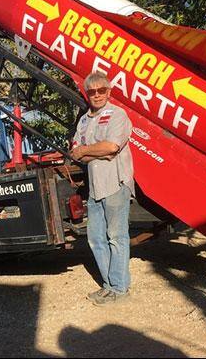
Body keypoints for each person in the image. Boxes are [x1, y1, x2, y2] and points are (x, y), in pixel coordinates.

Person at [70, 71, 134, 306]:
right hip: (95, 187)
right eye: (92, 91)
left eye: (101, 91)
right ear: (87, 94)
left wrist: (88, 150)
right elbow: (76, 151)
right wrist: (93, 152)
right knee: (95, 237)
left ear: (109, 92)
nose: (96, 95)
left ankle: (120, 288)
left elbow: (112, 146)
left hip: (115, 183)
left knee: (116, 237)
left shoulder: (118, 115)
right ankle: (109, 285)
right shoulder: (85, 120)